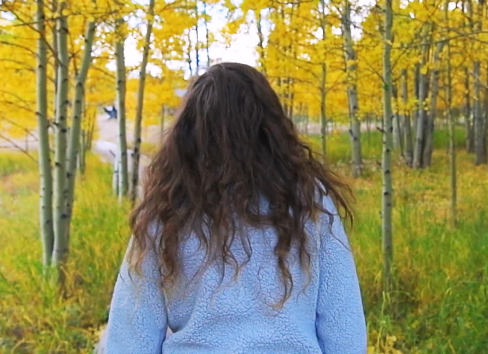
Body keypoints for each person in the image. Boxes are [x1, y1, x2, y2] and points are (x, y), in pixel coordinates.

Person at [104, 62, 367, 354]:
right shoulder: (308, 200)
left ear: (188, 132)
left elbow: (130, 334)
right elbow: (344, 328)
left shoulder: (169, 208)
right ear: (270, 127)